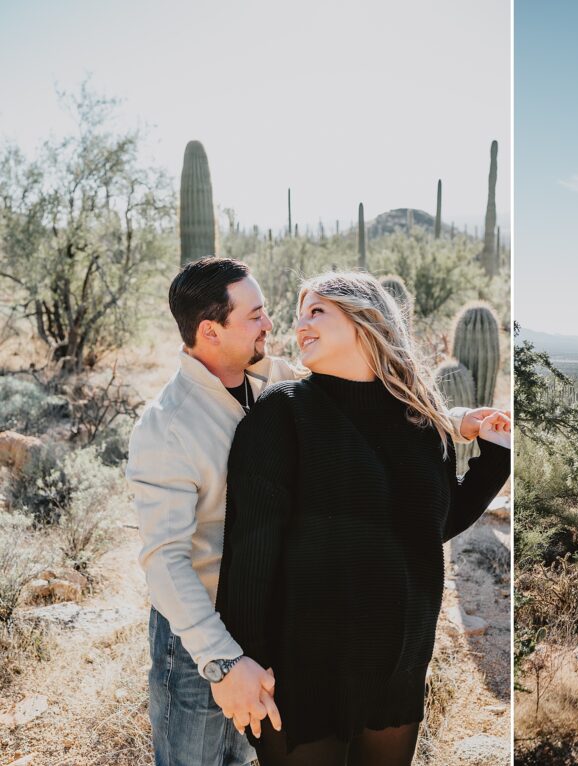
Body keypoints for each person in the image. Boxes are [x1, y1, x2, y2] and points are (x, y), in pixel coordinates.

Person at [127, 257, 502, 766]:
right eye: (256, 315)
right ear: (212, 331)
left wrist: (457, 424)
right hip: (202, 632)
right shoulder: (173, 425)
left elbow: (372, 417)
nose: (275, 325)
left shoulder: (269, 377)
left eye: (309, 312)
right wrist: (228, 661)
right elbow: (165, 560)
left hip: (356, 656)